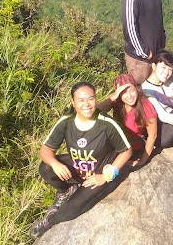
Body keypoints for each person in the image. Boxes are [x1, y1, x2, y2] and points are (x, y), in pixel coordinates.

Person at [30, 82, 132, 240]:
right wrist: (55, 164)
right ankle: (65, 190)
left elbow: (126, 150)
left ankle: (49, 221)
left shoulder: (106, 124)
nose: (87, 104)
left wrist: (106, 176)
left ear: (95, 100)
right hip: (78, 168)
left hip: (97, 175)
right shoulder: (67, 121)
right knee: (46, 168)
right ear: (73, 102)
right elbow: (45, 150)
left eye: (91, 99)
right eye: (81, 100)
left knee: (71, 209)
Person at [97, 73, 158, 168]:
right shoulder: (117, 101)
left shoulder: (145, 105)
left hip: (132, 148)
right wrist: (114, 95)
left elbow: (152, 135)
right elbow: (94, 112)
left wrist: (142, 161)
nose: (129, 95)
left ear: (137, 90)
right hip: (115, 144)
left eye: (131, 90)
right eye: (124, 92)